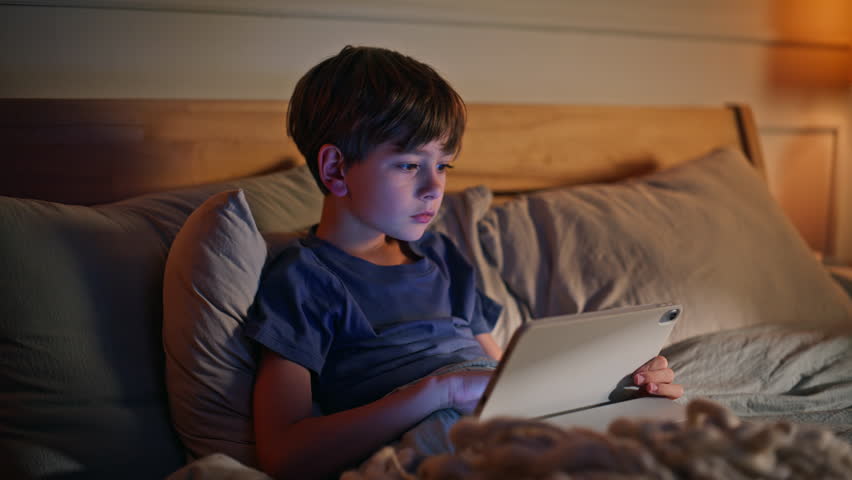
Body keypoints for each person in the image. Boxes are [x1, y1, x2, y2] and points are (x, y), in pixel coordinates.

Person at [245, 45, 683, 480]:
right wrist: (442, 390)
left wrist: (612, 385)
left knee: (654, 429)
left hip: (500, 417)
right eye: (410, 164)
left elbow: (502, 373)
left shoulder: (440, 257)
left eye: (444, 165)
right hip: (434, 430)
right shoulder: (303, 278)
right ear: (336, 169)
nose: (435, 188)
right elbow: (285, 454)